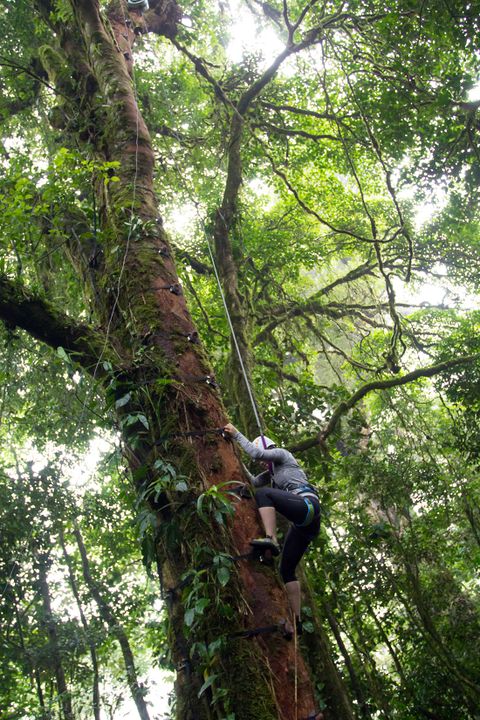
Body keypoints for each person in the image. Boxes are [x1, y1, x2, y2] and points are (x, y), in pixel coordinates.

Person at [224, 423, 321, 633]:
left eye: (262, 460)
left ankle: (271, 538)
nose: (261, 463)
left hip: (307, 504)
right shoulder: (271, 475)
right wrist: (235, 456)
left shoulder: (282, 455)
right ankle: (297, 622)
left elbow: (258, 453)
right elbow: (252, 480)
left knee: (263, 495)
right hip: (305, 525)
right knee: (286, 570)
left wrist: (236, 434)